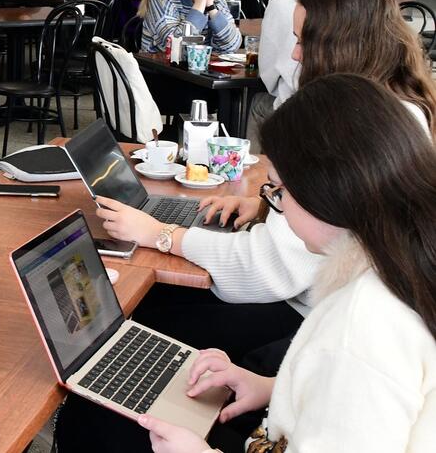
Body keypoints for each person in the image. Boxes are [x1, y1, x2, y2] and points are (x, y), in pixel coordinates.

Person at [134, 74, 436, 451]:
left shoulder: (361, 328)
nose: (278, 207)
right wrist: (272, 388)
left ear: (329, 192)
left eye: (278, 191)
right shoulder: (408, 262)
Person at [292, 0, 435, 135]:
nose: (294, 54)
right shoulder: (347, 103)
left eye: (305, 42)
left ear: (343, 49)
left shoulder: (391, 126)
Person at [246, 0, 324, 149]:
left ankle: (252, 170)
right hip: (325, 102)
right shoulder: (330, 2)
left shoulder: (281, 2)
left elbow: (267, 72)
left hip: (296, 105)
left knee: (256, 104)